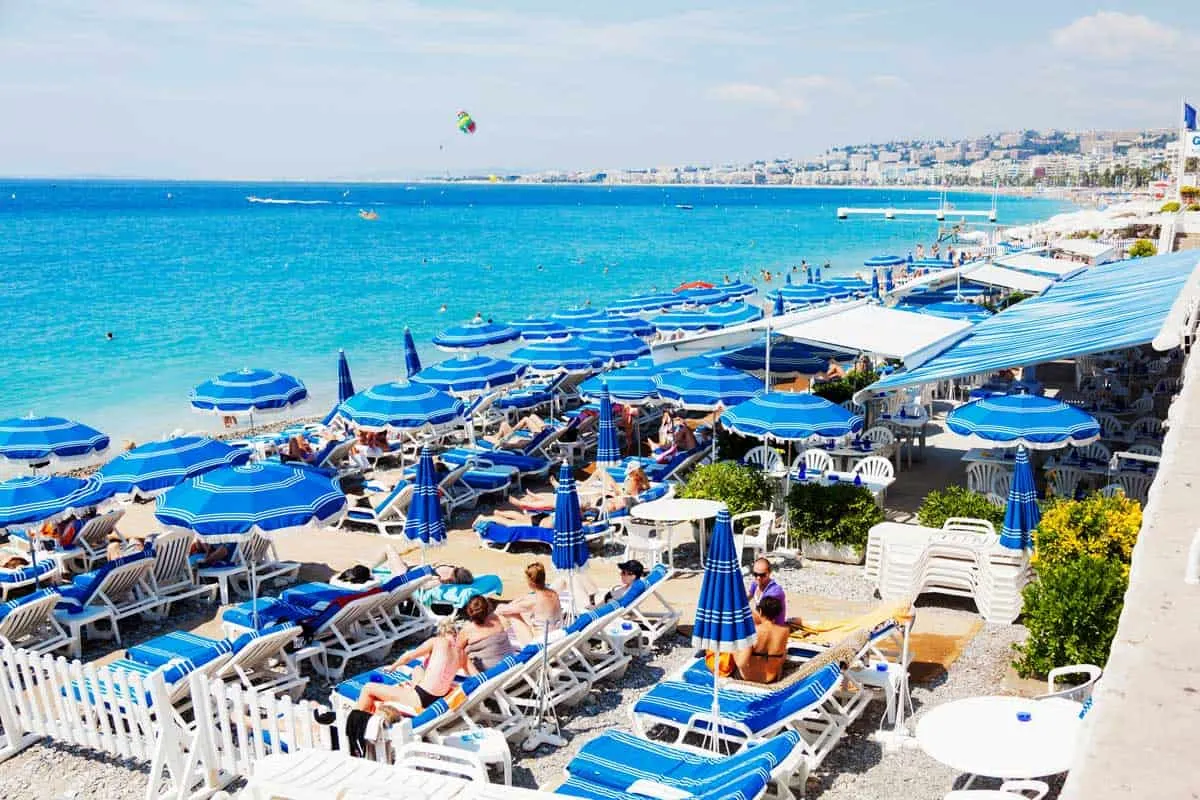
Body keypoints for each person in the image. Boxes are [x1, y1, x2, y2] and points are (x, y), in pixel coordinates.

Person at [355, 617, 461, 713]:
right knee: (417, 669)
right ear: (455, 635)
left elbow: (409, 656)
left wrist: (393, 667)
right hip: (439, 696)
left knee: (368, 688)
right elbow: (475, 675)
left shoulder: (437, 641)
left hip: (421, 699)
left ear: (440, 633)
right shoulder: (461, 653)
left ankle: (357, 727)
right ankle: (412, 688)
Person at [495, 562, 562, 645]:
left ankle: (497, 641)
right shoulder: (553, 593)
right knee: (525, 613)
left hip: (541, 643)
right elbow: (526, 599)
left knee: (512, 614)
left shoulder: (533, 601)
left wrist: (503, 606)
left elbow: (501, 610)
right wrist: (516, 602)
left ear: (530, 582)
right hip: (556, 636)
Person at [731, 595, 790, 684]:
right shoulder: (785, 632)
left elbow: (741, 663)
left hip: (747, 679)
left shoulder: (753, 631)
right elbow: (781, 659)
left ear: (761, 611)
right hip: (771, 679)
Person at [458, 596, 516, 674]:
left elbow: (457, 650)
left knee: (460, 653)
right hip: (511, 666)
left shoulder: (467, 631)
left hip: (488, 675)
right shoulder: (498, 618)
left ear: (469, 611)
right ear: (488, 608)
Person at [746, 558, 788, 625]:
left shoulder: (774, 592)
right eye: (755, 574)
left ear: (769, 573)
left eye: (762, 575)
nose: (758, 578)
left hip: (773, 627)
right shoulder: (755, 584)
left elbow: (763, 617)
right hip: (761, 621)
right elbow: (746, 598)